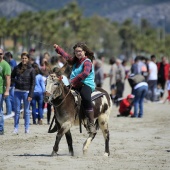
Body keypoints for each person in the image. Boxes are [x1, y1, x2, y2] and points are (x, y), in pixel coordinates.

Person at [53, 42, 96, 136]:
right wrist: (58, 49)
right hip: (75, 85)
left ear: (84, 51)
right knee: (60, 95)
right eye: (76, 51)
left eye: (80, 51)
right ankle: (58, 120)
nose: (78, 53)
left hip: (86, 85)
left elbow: (85, 74)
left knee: (86, 98)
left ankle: (91, 123)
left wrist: (74, 81)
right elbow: (67, 57)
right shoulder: (75, 61)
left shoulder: (87, 61)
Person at [11, 52, 35, 134]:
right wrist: (16, 81)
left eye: (25, 58)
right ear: (21, 59)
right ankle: (16, 128)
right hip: (17, 91)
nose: (24, 60)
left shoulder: (31, 69)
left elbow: (33, 83)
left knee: (27, 111)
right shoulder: (16, 67)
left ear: (28, 59)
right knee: (17, 111)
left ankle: (27, 128)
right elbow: (11, 77)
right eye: (23, 58)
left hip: (26, 92)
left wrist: (30, 94)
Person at [0, 48, 11, 135]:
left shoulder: (5, 65)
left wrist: (7, 91)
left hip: (0, 90)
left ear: (3, 54)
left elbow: (8, 79)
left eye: (0, 53)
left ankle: (0, 129)